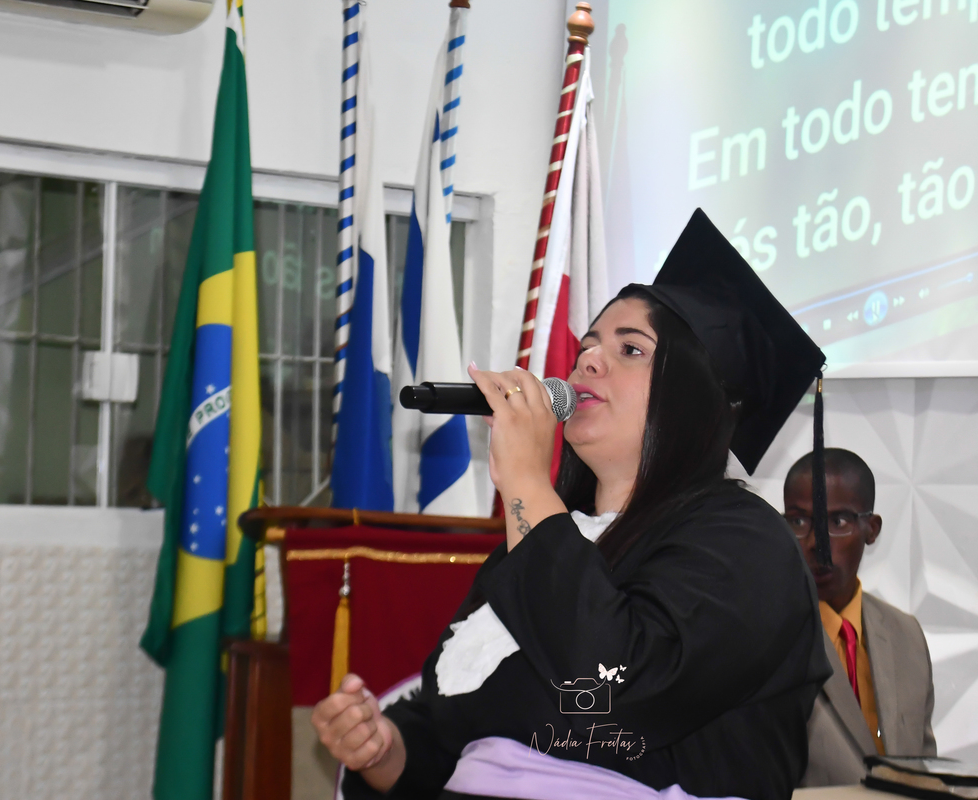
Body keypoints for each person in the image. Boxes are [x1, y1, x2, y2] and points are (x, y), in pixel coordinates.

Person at [310, 209, 834, 800]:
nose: (587, 360)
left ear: (695, 396)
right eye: (587, 346)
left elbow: (612, 691)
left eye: (630, 349)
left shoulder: (747, 544)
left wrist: (528, 487)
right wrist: (382, 749)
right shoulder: (546, 543)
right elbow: (448, 741)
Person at [782, 449, 937, 786]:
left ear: (872, 528)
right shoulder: (769, 638)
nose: (816, 543)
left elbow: (925, 768)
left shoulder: (906, 634)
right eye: (798, 521)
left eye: (837, 522)